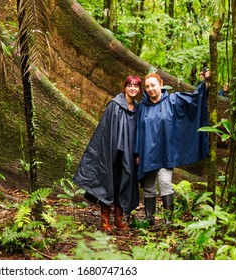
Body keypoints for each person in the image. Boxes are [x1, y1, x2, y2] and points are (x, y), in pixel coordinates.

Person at [135, 70, 210, 226]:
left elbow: (195, 100)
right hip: (147, 152)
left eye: (153, 85)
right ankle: (149, 220)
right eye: (147, 86)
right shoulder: (142, 107)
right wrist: (137, 153)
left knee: (165, 183)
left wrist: (206, 84)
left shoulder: (173, 101)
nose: (150, 89)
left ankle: (168, 219)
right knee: (148, 187)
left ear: (161, 85)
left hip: (166, 152)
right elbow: (137, 131)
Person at [73, 75, 141, 231]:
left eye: (136, 86)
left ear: (139, 90)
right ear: (125, 88)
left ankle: (118, 218)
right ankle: (105, 220)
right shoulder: (114, 105)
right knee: (108, 184)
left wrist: (136, 154)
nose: (132, 88)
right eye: (130, 85)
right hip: (112, 154)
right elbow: (105, 131)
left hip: (129, 155)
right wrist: (109, 152)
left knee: (123, 184)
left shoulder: (137, 109)